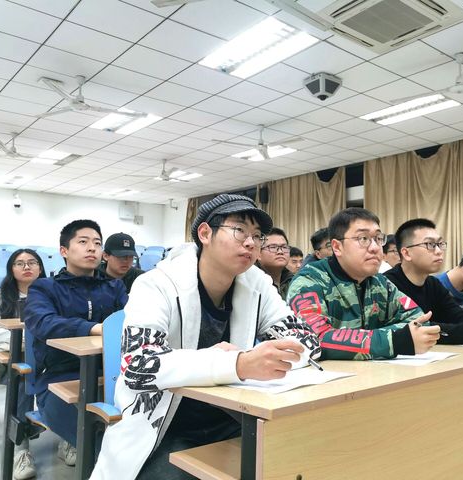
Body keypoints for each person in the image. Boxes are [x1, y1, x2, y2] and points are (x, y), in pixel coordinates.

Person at [91, 194, 320, 480]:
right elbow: (139, 365)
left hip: (236, 418)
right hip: (165, 427)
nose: (250, 242)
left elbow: (307, 340)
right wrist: (237, 364)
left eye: (257, 236)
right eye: (239, 230)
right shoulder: (156, 284)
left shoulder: (257, 284)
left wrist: (271, 357)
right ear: (205, 233)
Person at [23, 220, 128, 467]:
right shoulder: (44, 288)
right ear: (64, 251)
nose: (92, 248)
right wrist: (94, 328)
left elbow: (133, 321)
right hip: (57, 380)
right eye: (83, 242)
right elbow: (43, 323)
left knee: (135, 436)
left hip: (111, 377)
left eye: (97, 243)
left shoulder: (114, 287)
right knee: (100, 446)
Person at [287, 207, 439, 360]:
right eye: (363, 239)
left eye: (378, 239)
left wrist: (381, 340)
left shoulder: (380, 283)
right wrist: (394, 340)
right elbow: (314, 339)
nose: (375, 248)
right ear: (337, 247)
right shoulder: (309, 281)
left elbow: (419, 322)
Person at [0, 249, 46, 479]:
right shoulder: (2, 295)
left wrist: (21, 341)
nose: (26, 267)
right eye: (20, 263)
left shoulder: (51, 293)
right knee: (13, 371)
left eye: (32, 262)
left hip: (41, 358)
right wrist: (24, 340)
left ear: (40, 267)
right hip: (6, 355)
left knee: (22, 376)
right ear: (11, 269)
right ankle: (22, 446)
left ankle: (23, 451)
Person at [258, 227, 295, 299]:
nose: (280, 252)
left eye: (284, 247)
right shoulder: (251, 282)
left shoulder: (294, 281)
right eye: (273, 247)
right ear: (258, 253)